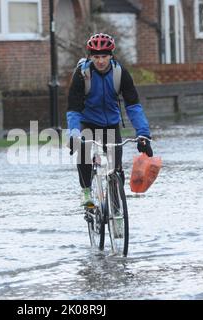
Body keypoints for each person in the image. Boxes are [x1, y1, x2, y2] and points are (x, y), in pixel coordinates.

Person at [66, 33, 153, 207]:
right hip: (87, 121)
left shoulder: (120, 73)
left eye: (104, 56)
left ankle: (115, 206)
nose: (100, 61)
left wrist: (143, 134)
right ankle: (86, 192)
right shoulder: (82, 74)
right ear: (90, 56)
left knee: (116, 168)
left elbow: (133, 106)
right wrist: (74, 135)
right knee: (83, 152)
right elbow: (74, 109)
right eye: (96, 57)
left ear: (111, 55)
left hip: (110, 125)